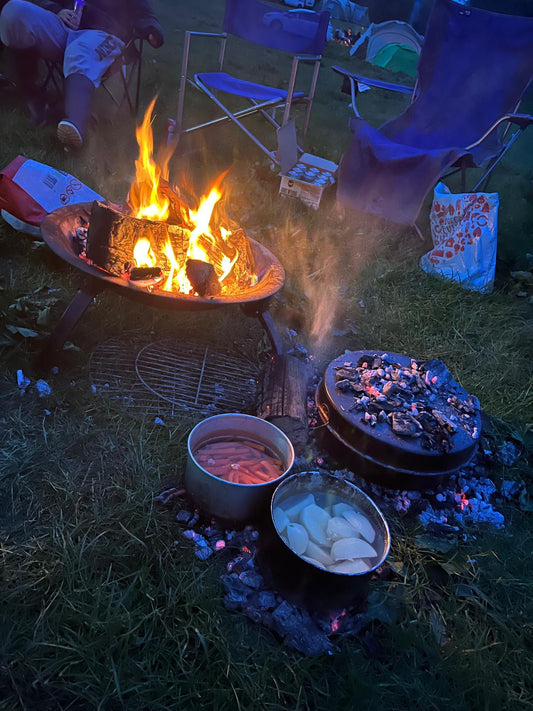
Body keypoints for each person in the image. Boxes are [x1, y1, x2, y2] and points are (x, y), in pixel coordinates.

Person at [0, 0, 164, 148]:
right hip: (63, 27)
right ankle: (33, 97)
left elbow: (143, 11)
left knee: (80, 52)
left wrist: (152, 30)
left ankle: (75, 123)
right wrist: (56, 9)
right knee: (15, 11)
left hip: (104, 33)